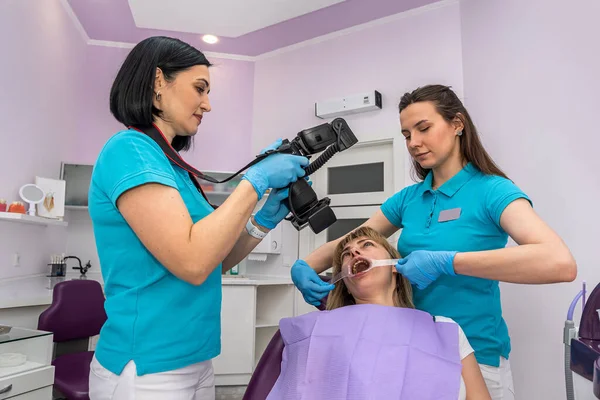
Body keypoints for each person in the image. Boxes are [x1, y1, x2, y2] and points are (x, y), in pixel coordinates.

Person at [290, 84, 577, 399]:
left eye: (423, 128)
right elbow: (356, 239)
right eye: (406, 134)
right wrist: (305, 265)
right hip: (410, 349)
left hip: (475, 356)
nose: (414, 142)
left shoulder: (492, 191)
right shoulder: (409, 199)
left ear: (457, 124)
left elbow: (559, 263)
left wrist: (448, 262)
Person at [87, 36, 308, 400]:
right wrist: (256, 180)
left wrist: (264, 218)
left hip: (196, 358)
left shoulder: (174, 168)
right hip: (146, 366)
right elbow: (191, 261)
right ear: (159, 81)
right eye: (199, 88)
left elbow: (212, 260)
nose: (207, 104)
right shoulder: (129, 149)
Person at [268, 227, 491, 400]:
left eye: (366, 244)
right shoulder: (316, 334)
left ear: (396, 266)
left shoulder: (444, 330)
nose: (354, 251)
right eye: (346, 254)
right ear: (344, 282)